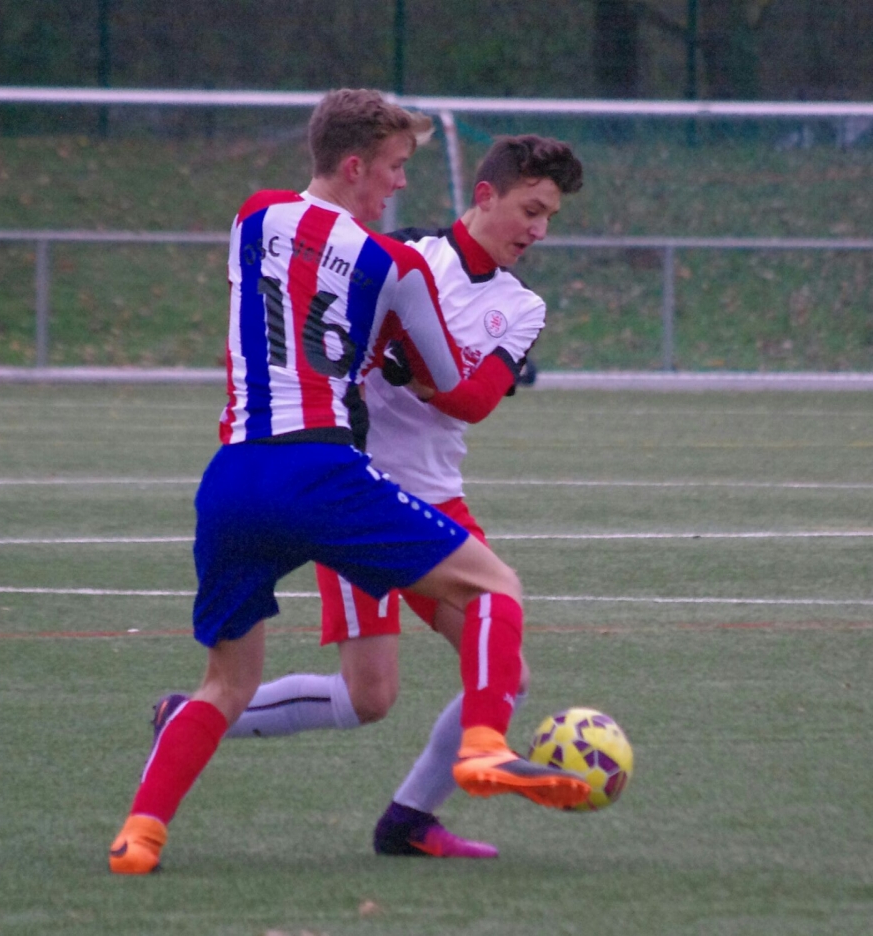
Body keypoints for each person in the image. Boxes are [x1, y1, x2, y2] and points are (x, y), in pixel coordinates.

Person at [108, 91, 589, 874]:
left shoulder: (259, 218)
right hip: (346, 484)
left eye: (550, 218)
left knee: (481, 673)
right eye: (531, 210)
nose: (539, 229)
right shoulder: (397, 258)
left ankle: (164, 824)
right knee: (451, 629)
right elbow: (425, 364)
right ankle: (481, 751)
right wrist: (404, 352)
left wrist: (391, 358)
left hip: (298, 477)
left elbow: (464, 398)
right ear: (486, 194)